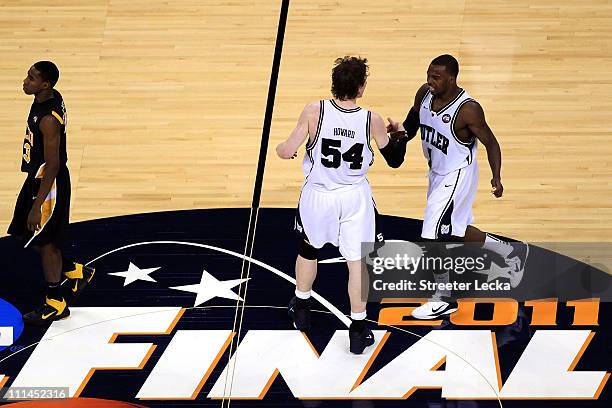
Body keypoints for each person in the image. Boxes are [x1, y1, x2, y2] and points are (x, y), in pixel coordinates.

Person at [276, 56, 408, 354]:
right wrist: (398, 134)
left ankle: (301, 306)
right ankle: (359, 329)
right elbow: (395, 160)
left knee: (308, 250)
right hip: (354, 198)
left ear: (334, 85)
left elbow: (287, 150)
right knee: (357, 263)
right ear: (361, 88)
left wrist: (283, 151)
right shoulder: (372, 120)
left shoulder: (314, 111)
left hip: (318, 195)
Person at [387, 54, 528, 319]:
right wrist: (401, 134)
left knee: (431, 233)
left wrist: (496, 177)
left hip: (457, 173)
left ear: (451, 79)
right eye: (429, 75)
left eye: (436, 78)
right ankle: (509, 252)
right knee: (456, 229)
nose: (430, 81)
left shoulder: (467, 109)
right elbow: (412, 125)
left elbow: (492, 143)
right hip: (437, 172)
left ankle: (443, 298)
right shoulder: (424, 94)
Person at [8, 61, 94, 326]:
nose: (26, 81)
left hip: (49, 183)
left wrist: (39, 203)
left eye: (32, 78)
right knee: (27, 234)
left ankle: (56, 303)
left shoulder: (48, 119)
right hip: (37, 178)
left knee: (45, 243)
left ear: (45, 84)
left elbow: (54, 163)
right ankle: (74, 271)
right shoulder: (50, 97)